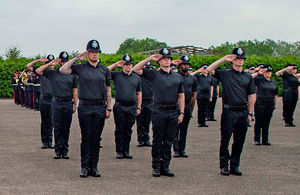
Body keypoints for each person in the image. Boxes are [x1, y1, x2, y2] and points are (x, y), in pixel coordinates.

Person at [60, 39, 111, 178]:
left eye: (97, 52)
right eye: (92, 52)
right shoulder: (81, 68)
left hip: (100, 106)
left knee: (96, 138)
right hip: (85, 107)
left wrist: (109, 108)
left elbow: (108, 90)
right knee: (86, 138)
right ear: (88, 53)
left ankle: (94, 167)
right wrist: (77, 58)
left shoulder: (104, 70)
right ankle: (84, 167)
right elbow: (63, 69)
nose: (95, 54)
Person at [131, 48, 185, 177]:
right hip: (159, 110)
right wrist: (150, 58)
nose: (166, 60)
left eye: (168, 58)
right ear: (159, 61)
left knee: (169, 140)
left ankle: (165, 166)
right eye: (163, 58)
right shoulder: (154, 74)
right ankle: (156, 166)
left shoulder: (177, 77)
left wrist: (182, 112)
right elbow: (136, 69)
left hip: (173, 111)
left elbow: (181, 96)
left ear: (171, 61)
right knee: (157, 139)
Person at [207, 47, 256, 176]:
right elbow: (210, 69)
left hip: (243, 112)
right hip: (229, 111)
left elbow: (251, 95)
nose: (239, 61)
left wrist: (250, 113)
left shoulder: (248, 77)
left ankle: (234, 165)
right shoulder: (225, 74)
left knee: (239, 140)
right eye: (237, 58)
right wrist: (223, 59)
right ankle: (224, 165)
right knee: (225, 139)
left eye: (241, 59)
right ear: (233, 60)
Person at [36, 51, 78, 159]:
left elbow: (74, 91)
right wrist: (50, 64)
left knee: (66, 127)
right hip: (56, 102)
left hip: (68, 102)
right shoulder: (53, 73)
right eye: (62, 61)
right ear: (59, 62)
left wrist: (75, 104)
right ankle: (57, 150)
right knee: (57, 127)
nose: (64, 63)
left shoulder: (72, 74)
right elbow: (38, 70)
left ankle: (65, 150)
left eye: (66, 61)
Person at [108, 54, 142, 159]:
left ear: (132, 65)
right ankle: (119, 151)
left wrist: (139, 107)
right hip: (120, 106)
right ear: (123, 65)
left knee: (128, 129)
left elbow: (139, 93)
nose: (128, 66)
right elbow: (105, 71)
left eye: (130, 64)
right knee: (119, 129)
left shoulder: (136, 78)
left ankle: (126, 150)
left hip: (132, 106)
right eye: (126, 64)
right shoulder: (117, 75)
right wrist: (115, 64)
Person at [27, 55, 55, 149]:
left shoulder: (56, 72)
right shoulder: (41, 72)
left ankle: (50, 141)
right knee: (44, 121)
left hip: (52, 99)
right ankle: (44, 141)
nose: (50, 65)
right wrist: (39, 60)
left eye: (51, 63)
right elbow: (29, 65)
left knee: (51, 121)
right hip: (44, 98)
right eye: (48, 63)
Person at [172, 55, 197, 158]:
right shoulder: (175, 76)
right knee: (175, 129)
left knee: (184, 129)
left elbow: (194, 95)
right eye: (184, 64)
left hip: (187, 104)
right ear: (180, 65)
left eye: (187, 64)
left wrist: (191, 109)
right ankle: (176, 149)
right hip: (176, 105)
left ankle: (182, 149)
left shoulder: (193, 79)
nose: (186, 66)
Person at [252, 65, 278, 145]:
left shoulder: (273, 82)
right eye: (267, 72)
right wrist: (258, 72)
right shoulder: (259, 80)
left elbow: (275, 94)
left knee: (266, 122)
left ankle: (265, 139)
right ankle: (257, 139)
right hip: (261, 102)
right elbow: (250, 78)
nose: (268, 74)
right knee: (259, 121)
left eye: (270, 72)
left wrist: (275, 104)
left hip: (270, 103)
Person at [136, 62, 154, 147]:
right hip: (141, 101)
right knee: (140, 121)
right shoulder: (139, 77)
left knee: (147, 122)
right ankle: (140, 139)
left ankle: (146, 138)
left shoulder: (152, 78)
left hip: (150, 101)